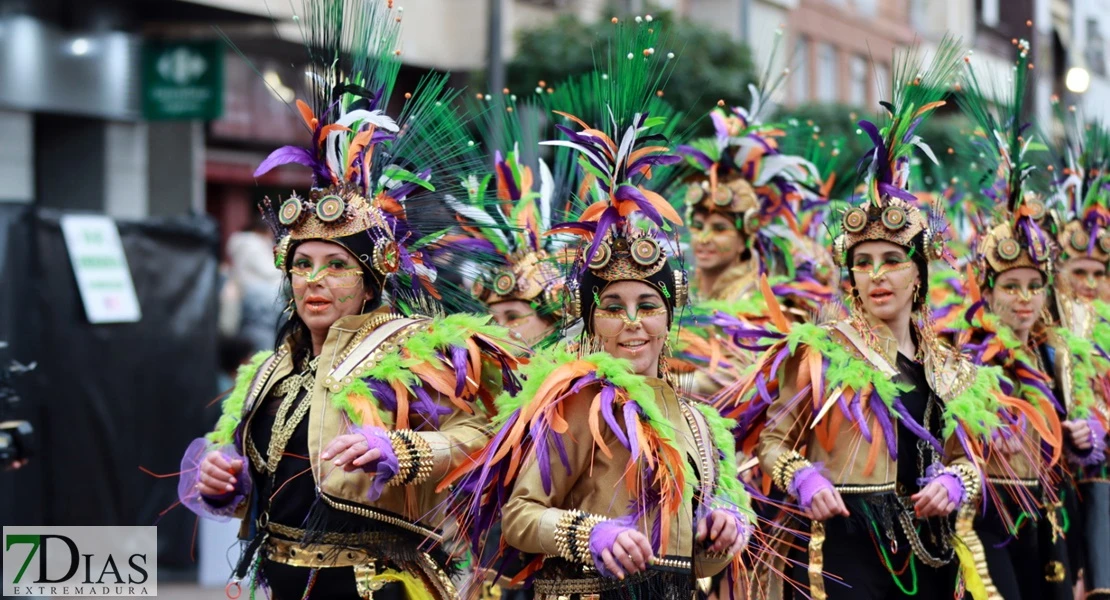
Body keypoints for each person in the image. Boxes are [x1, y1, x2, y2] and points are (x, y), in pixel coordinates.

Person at [176, 2, 521, 597]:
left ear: (370, 281)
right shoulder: (271, 368)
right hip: (281, 579)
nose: (315, 280)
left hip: (374, 583)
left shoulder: (415, 351)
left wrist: (404, 448)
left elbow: (489, 438)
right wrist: (225, 482)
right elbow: (260, 485)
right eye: (302, 265)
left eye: (337, 266)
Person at [442, 22, 753, 599]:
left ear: (670, 316)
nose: (632, 322)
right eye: (612, 307)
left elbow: (695, 565)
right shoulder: (576, 404)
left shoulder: (697, 421)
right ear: (590, 321)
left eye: (646, 306)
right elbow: (520, 516)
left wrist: (723, 530)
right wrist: (590, 534)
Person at [716, 40, 1012, 600]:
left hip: (933, 553)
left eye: (892, 261)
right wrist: (801, 477)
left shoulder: (947, 364)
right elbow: (771, 443)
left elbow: (973, 454)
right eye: (863, 263)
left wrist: (956, 480)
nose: (876, 276)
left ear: (919, 274)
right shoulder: (821, 353)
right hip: (843, 548)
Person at [945, 44, 1079, 598]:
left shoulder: (1056, 355)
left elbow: (1072, 443)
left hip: (1046, 514)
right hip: (986, 517)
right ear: (988, 291)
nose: (1023, 300)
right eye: (1010, 287)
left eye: (1033, 287)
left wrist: (1086, 439)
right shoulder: (963, 353)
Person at [1048, 96, 1110, 598]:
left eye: (1099, 273)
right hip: (1059, 490)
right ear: (1059, 276)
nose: (1090, 283)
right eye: (1079, 273)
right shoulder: (1041, 334)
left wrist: (1101, 429)